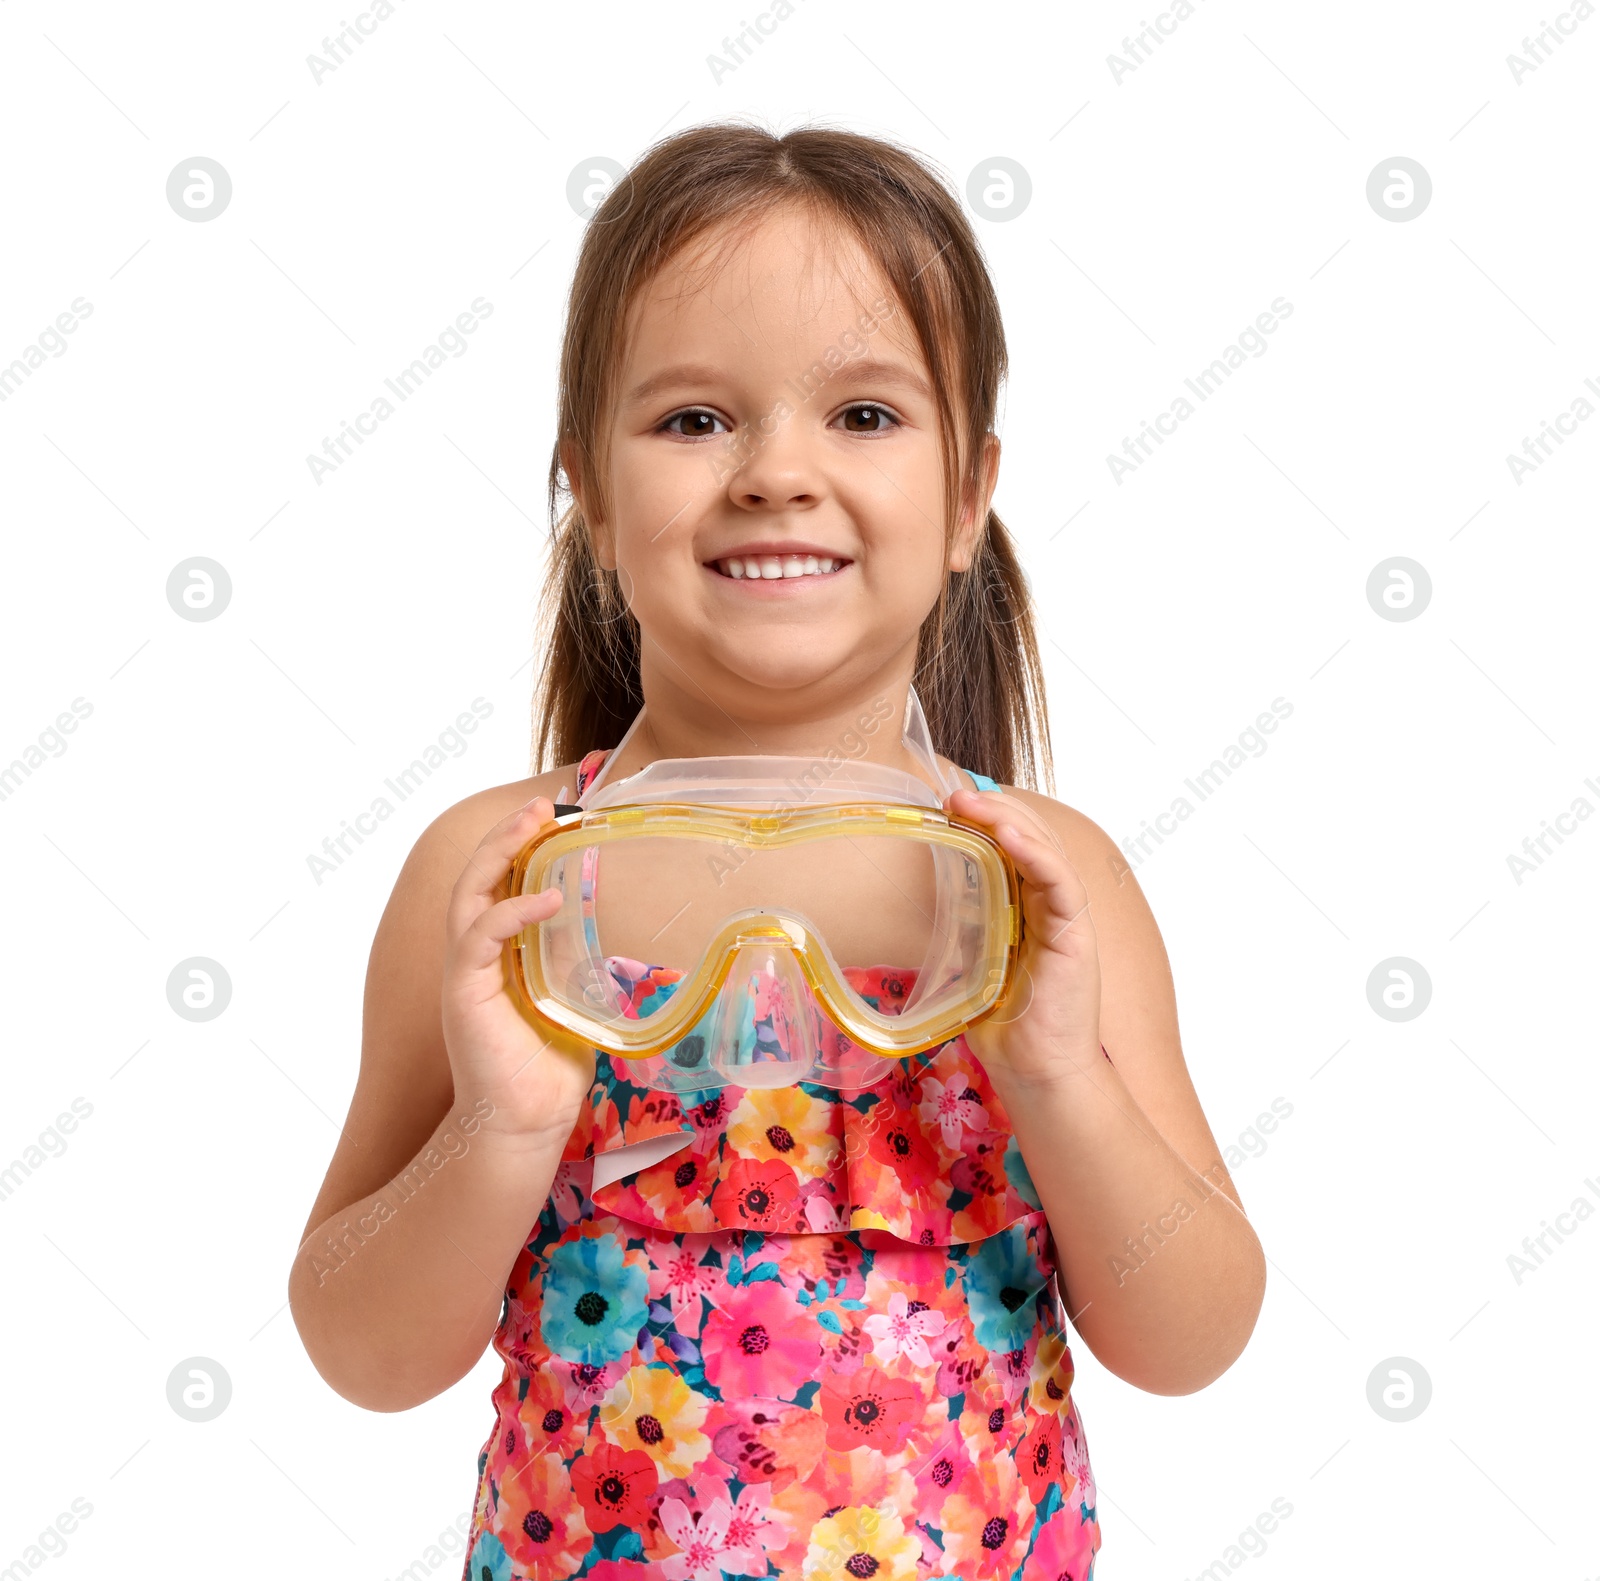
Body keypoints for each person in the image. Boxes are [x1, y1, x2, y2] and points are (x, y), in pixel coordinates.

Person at [288, 121, 1266, 1581]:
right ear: (594, 498)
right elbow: (364, 1351)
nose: (775, 474)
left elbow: (1192, 1335)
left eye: (864, 416)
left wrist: (1059, 1079)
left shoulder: (1045, 883)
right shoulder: (498, 875)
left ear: (967, 495)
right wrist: (499, 1126)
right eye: (694, 420)